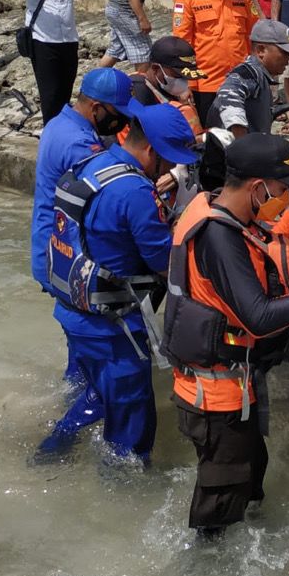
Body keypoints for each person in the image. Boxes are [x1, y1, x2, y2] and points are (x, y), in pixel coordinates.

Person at [166, 133, 289, 536]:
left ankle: (251, 537)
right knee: (218, 515)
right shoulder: (220, 237)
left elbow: (263, 249)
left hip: (225, 384)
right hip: (215, 395)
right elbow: (261, 317)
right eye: (282, 189)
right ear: (257, 187)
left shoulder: (214, 208)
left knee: (251, 475)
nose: (284, 196)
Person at [39, 100, 198, 461]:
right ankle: (124, 495)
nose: (172, 166)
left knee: (97, 394)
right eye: (169, 158)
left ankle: (50, 454)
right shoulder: (134, 192)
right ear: (152, 150)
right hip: (112, 329)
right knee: (131, 429)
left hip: (73, 313)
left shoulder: (92, 162)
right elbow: (165, 265)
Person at [30, 68, 135, 384]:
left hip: (50, 247)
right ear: (97, 108)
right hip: (66, 257)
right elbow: (108, 196)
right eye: (118, 114)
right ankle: (77, 414)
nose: (123, 122)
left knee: (81, 350)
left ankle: (73, 390)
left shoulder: (58, 123)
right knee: (99, 362)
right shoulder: (79, 145)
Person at [14, 0, 100, 122]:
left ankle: (61, 130)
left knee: (65, 91)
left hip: (68, 40)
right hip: (43, 42)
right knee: (50, 94)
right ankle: (51, 133)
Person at [173, 0, 259, 121]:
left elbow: (254, 35)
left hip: (239, 80)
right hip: (206, 84)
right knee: (212, 136)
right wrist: (185, 84)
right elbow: (182, 45)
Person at [207, 18, 289, 137]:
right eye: (284, 52)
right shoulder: (247, 74)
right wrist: (243, 144)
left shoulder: (261, 75)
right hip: (232, 153)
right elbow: (228, 93)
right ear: (261, 50)